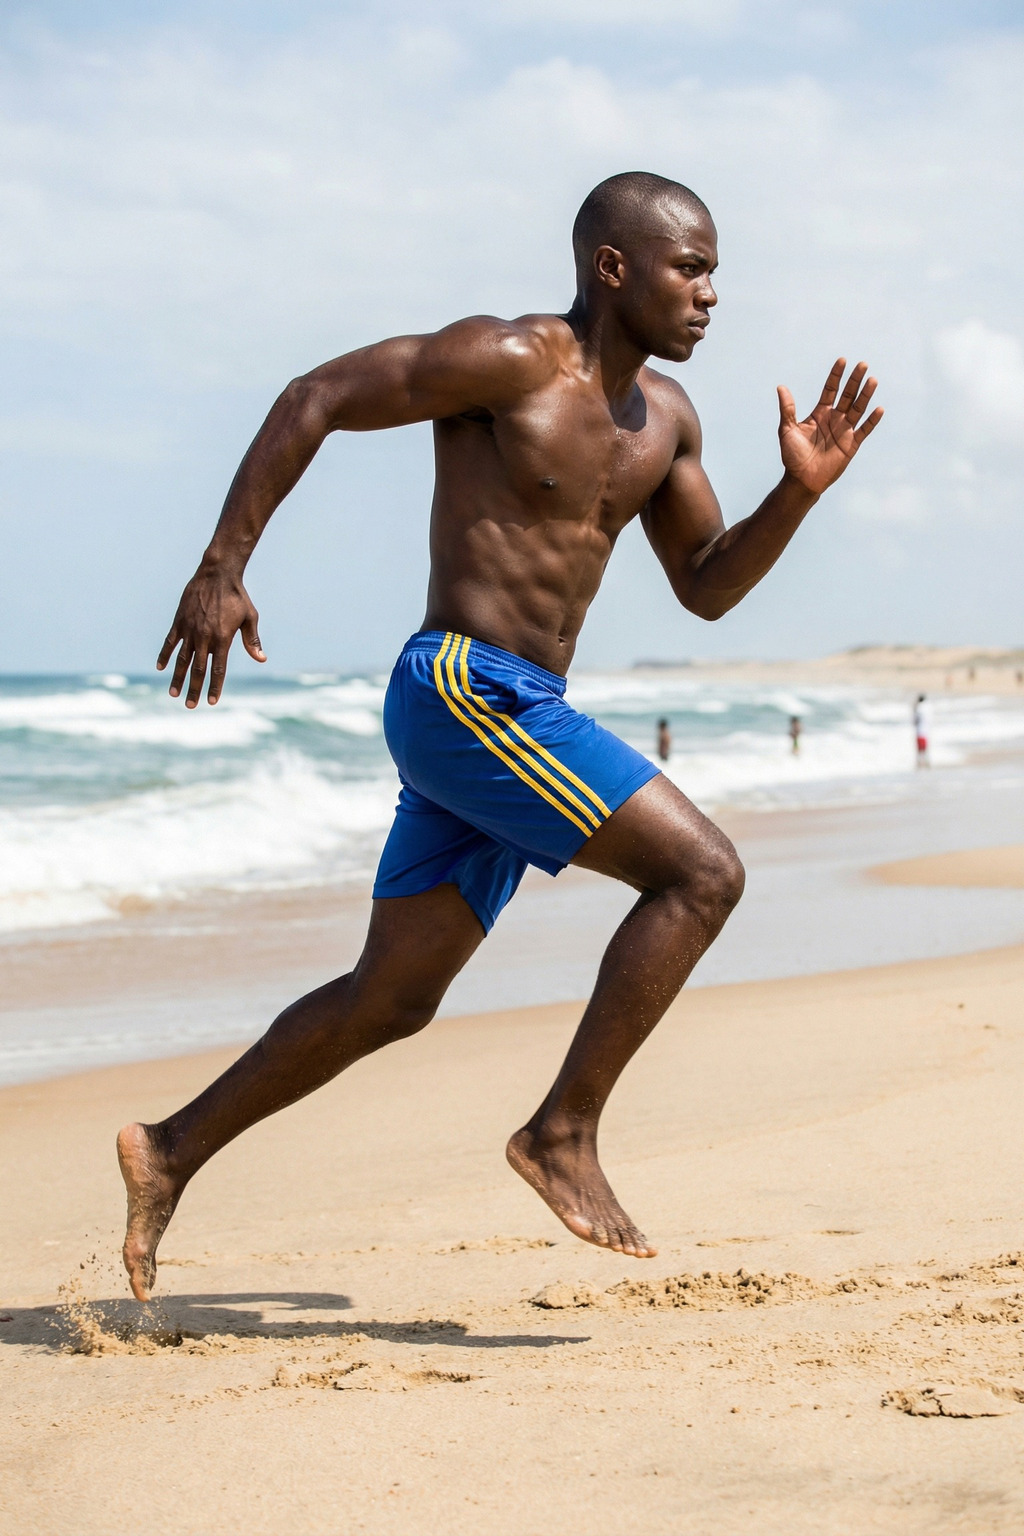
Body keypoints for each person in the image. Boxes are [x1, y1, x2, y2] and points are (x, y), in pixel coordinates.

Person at [117, 171, 883, 1300]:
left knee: (393, 997)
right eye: (692, 266)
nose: (711, 292)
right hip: (464, 689)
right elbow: (314, 394)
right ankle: (561, 1133)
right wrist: (221, 566)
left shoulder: (666, 419)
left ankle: (168, 1150)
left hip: (520, 707)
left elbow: (708, 588)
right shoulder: (510, 359)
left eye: (716, 269)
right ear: (612, 267)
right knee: (702, 874)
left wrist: (798, 492)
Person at [914, 693, 929, 767]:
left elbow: (915, 721)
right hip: (925, 731)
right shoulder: (927, 708)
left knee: (919, 750)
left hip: (919, 731)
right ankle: (926, 762)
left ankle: (919, 763)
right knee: (925, 749)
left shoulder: (918, 709)